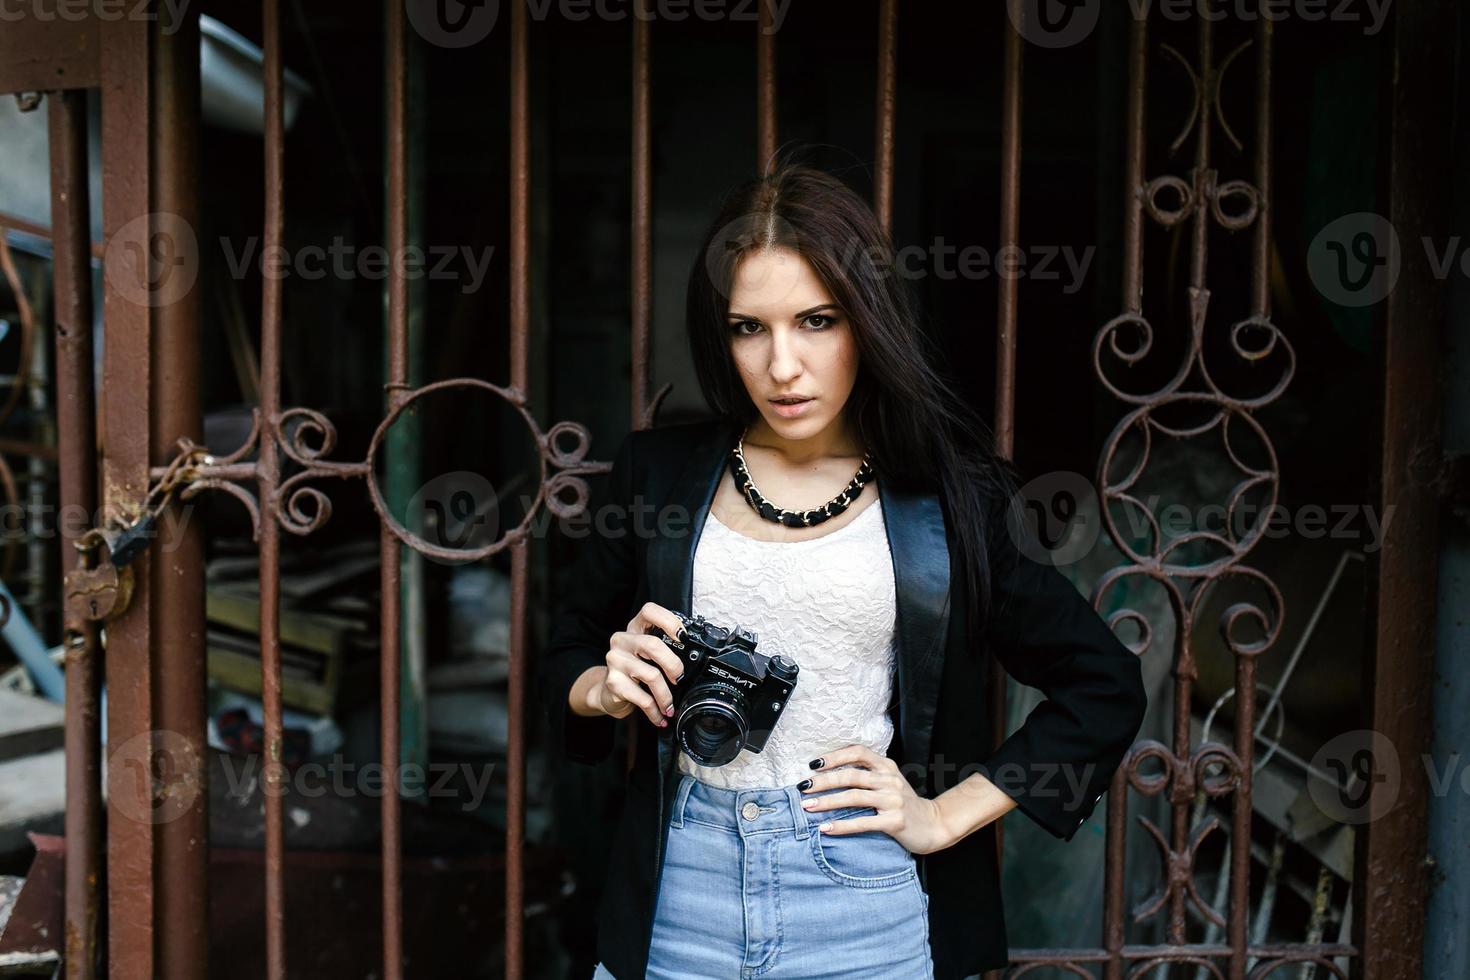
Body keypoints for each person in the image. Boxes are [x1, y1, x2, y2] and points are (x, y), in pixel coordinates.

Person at [542, 161, 1148, 980]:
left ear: (867, 320)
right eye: (748, 328)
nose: (782, 365)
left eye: (816, 321)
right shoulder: (658, 474)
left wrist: (943, 814)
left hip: (858, 896)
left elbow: (1102, 683)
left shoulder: (950, 495)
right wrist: (602, 687)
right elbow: (567, 649)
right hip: (678, 894)